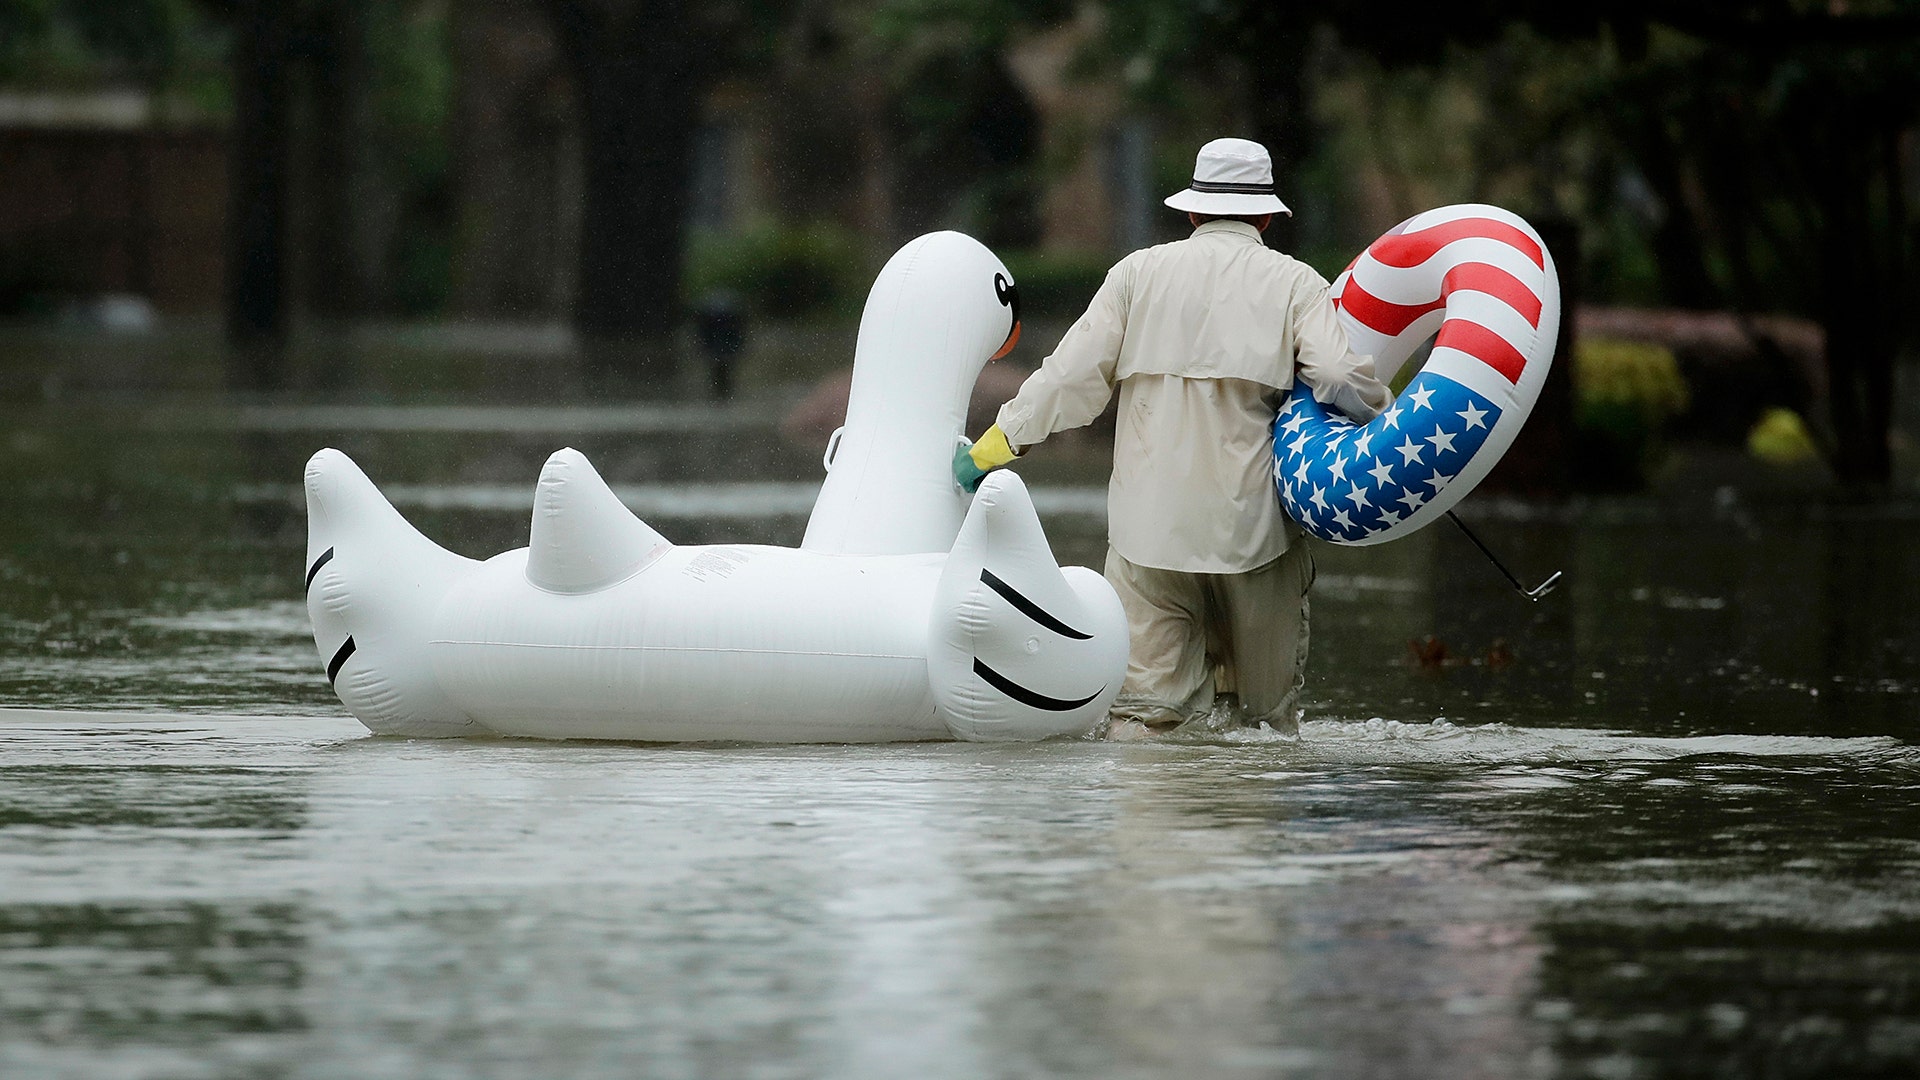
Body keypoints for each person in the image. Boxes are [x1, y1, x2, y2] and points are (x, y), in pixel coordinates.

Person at [954, 137, 1391, 738]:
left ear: (1191, 211)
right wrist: (1382, 420)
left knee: (1143, 721)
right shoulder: (1297, 285)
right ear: (1266, 215)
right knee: (1265, 727)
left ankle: (1152, 829)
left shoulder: (1137, 275)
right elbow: (1340, 375)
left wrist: (992, 449)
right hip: (1253, 537)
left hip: (1147, 539)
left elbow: (1066, 379)